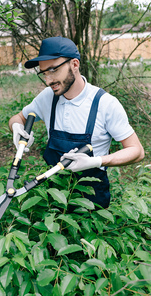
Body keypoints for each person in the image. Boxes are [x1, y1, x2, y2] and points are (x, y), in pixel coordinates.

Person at [9, 36, 144, 208]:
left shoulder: (105, 104)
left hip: (92, 205)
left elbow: (137, 151)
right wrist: (16, 127)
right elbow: (18, 117)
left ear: (74, 64)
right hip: (54, 196)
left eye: (53, 70)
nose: (48, 80)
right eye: (44, 73)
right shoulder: (47, 97)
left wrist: (97, 161)